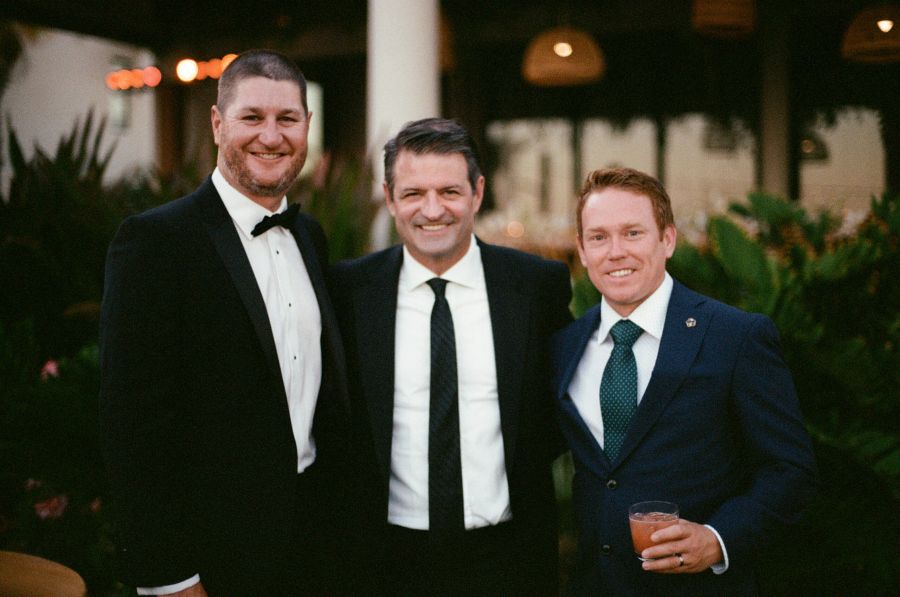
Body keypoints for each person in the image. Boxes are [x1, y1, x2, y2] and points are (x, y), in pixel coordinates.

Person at [99, 50, 350, 597]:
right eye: (251, 117)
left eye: (287, 119)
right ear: (217, 124)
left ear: (307, 128)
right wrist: (170, 578)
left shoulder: (311, 239)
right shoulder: (155, 243)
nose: (271, 135)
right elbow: (133, 428)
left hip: (314, 549)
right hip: (212, 561)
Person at [330, 117, 572, 596]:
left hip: (508, 556)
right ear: (390, 197)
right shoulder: (349, 291)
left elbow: (559, 408)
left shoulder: (534, 286)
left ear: (478, 193)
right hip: (384, 561)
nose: (433, 209)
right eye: (414, 192)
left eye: (450, 191)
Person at [552, 167, 817, 596]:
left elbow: (790, 471)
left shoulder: (735, 337)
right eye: (598, 237)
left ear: (668, 239)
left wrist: (717, 539)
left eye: (633, 233)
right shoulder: (565, 346)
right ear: (581, 249)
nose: (615, 251)